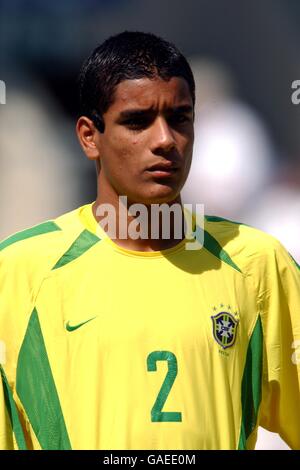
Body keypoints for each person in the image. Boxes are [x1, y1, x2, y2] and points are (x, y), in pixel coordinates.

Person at [0, 31, 299, 451]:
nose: (164, 141)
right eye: (137, 121)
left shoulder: (257, 264)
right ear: (89, 136)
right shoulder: (19, 271)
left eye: (180, 118)